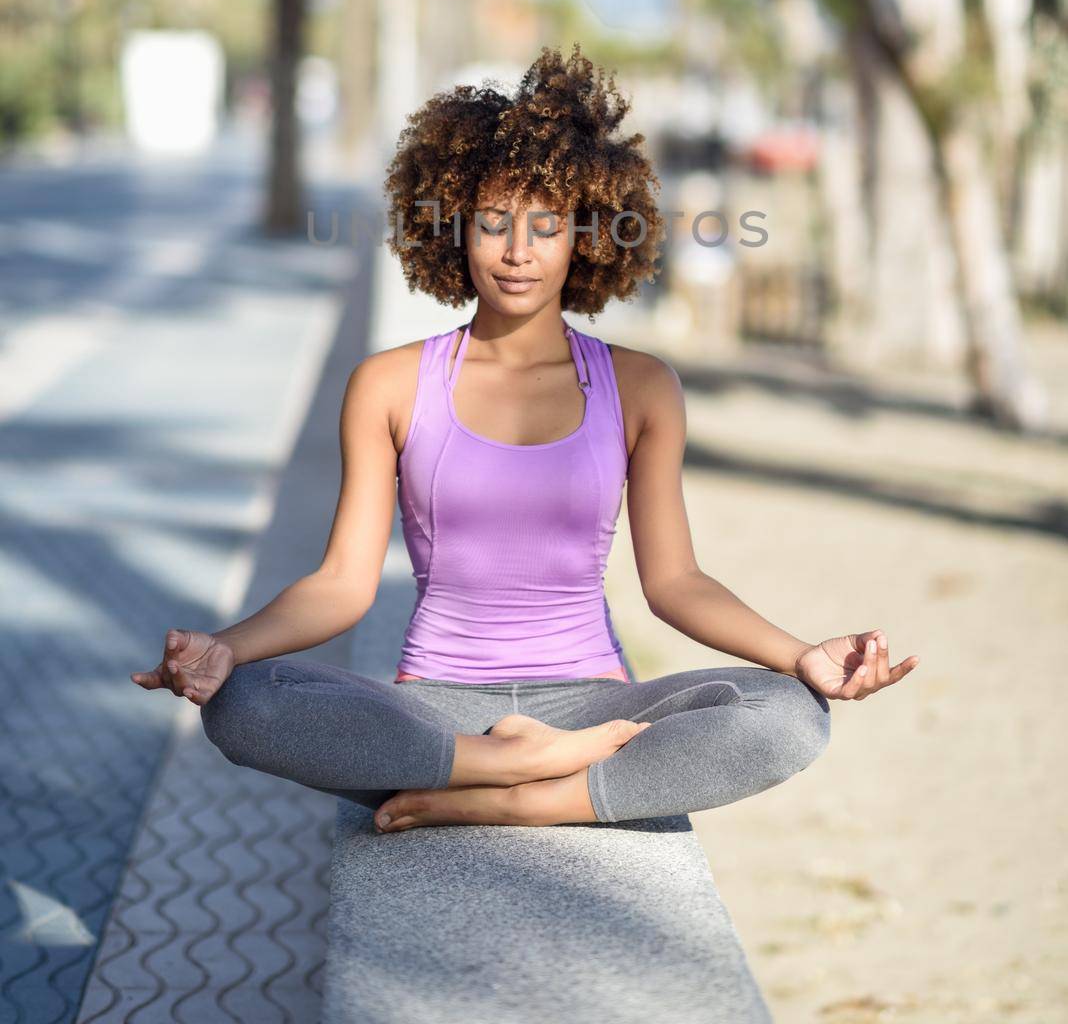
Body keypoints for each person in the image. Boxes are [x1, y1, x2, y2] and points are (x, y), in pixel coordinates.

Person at [131, 44, 919, 835]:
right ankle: (498, 766)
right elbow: (341, 585)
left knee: (791, 714)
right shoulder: (390, 385)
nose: (517, 253)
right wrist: (223, 649)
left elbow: (676, 583)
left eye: (546, 226)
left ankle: (532, 794)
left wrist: (801, 655)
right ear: (451, 228)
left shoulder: (641, 388)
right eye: (493, 224)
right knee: (240, 706)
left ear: (587, 234)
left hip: (590, 699)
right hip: (435, 715)